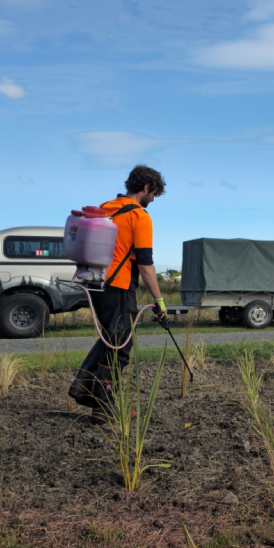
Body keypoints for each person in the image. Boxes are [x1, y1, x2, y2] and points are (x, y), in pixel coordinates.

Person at [68, 164, 168, 421]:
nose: (153, 200)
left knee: (109, 339)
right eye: (154, 194)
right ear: (147, 187)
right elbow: (145, 264)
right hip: (119, 286)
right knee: (120, 346)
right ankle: (103, 408)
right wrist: (159, 301)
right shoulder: (139, 217)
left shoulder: (106, 208)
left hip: (95, 283)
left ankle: (83, 388)